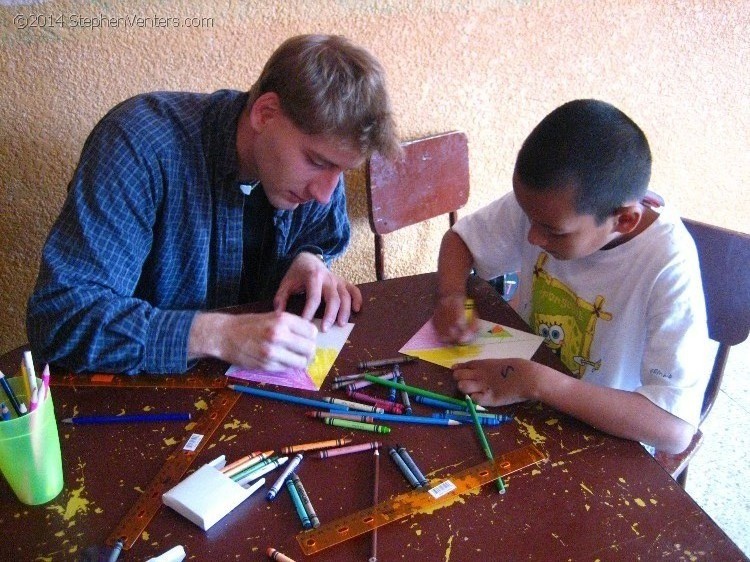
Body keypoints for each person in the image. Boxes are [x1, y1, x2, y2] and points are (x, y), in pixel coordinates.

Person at [27, 34, 400, 375]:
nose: (324, 193)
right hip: (132, 407)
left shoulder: (315, 168)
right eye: (318, 162)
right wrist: (221, 335)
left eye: (341, 171)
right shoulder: (138, 145)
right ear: (265, 114)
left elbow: (320, 233)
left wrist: (308, 258)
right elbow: (61, 321)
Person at [433, 99, 710, 454]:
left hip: (600, 437)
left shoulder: (669, 265)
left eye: (552, 232)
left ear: (624, 220)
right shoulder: (549, 207)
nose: (533, 237)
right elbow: (460, 239)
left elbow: (675, 429)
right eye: (527, 218)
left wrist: (541, 384)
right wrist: (451, 297)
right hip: (523, 394)